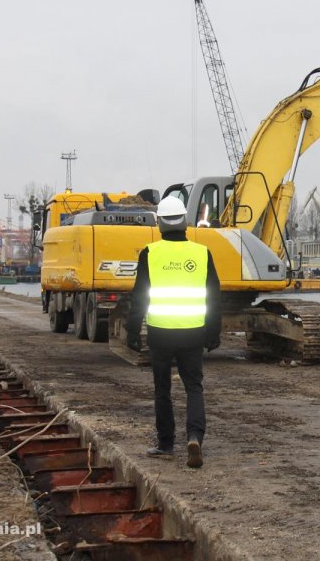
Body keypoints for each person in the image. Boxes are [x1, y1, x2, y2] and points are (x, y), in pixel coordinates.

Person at [126, 196, 221, 469]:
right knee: (194, 387)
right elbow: (214, 296)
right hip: (193, 332)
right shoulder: (202, 253)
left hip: (161, 333)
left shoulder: (150, 253)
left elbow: (140, 296)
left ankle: (166, 444)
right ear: (185, 222)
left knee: (162, 390)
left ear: (160, 224)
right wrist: (213, 332)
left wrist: (133, 331)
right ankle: (194, 437)